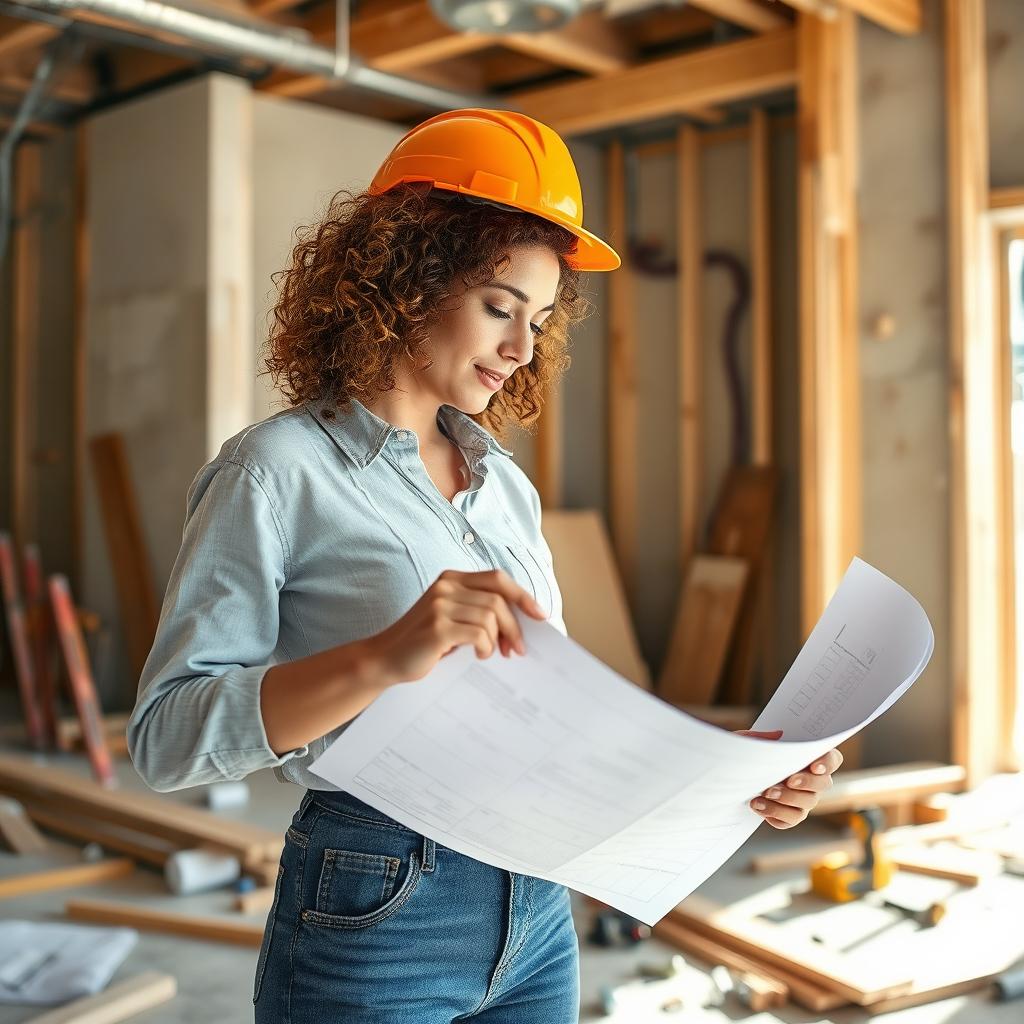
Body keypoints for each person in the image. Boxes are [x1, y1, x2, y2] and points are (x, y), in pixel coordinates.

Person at [125, 108, 842, 1023]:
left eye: (538, 320)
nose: (523, 348)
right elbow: (167, 739)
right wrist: (382, 657)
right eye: (500, 308)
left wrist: (733, 774)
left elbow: (560, 716)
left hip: (539, 910)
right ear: (405, 277)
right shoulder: (275, 472)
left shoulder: (505, 488)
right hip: (377, 907)